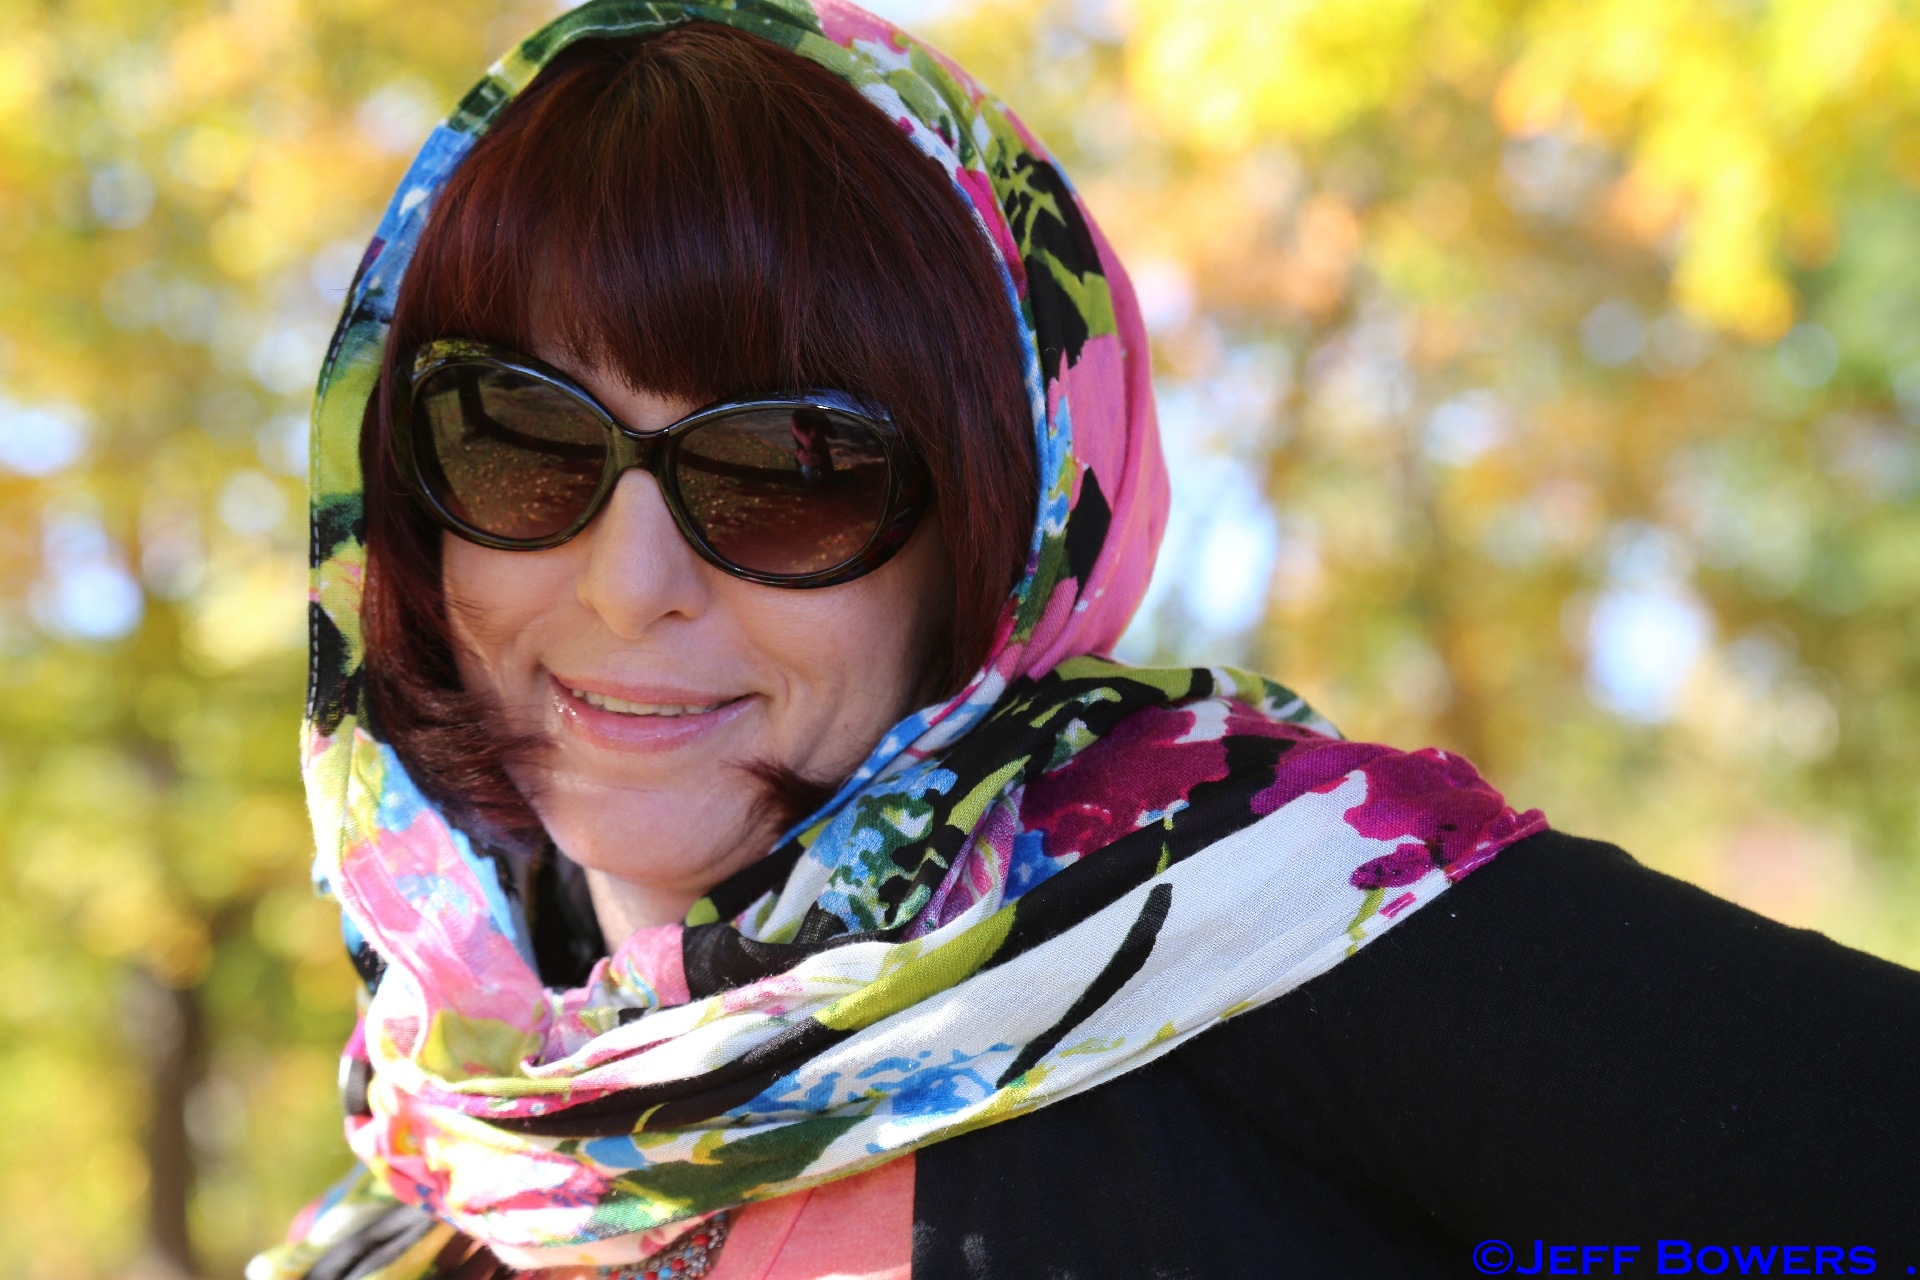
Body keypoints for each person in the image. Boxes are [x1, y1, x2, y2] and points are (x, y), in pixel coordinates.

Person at [258, 4, 1920, 1279]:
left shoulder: (1262, 923)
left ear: (1001, 536)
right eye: (523, 438)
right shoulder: (428, 1167)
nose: (630, 587)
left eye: (789, 470)